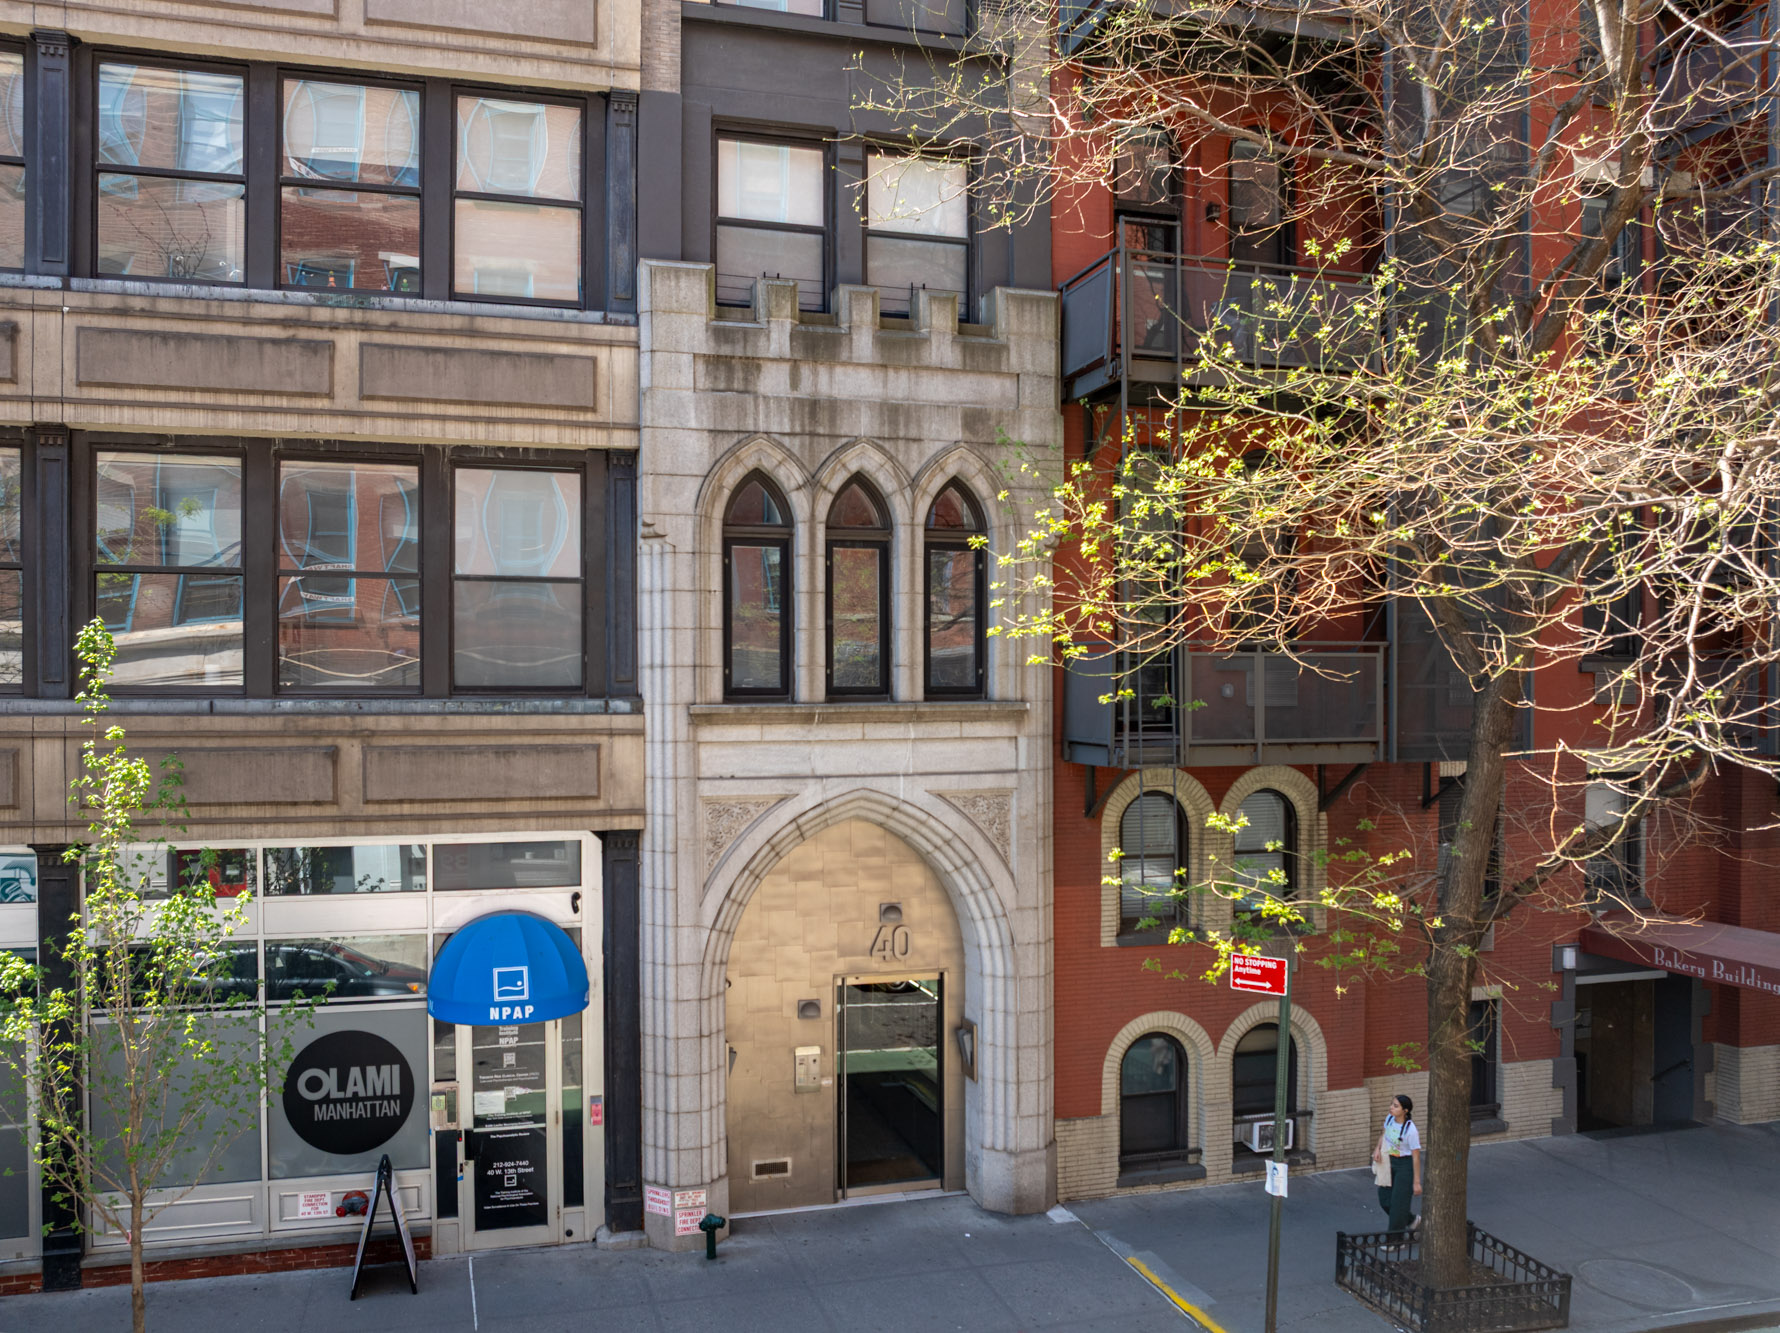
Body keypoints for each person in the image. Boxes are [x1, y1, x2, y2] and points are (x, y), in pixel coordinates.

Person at [1371, 1094, 1421, 1234]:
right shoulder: (1389, 1119)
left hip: (1404, 1166)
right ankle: (1411, 1220)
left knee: (1399, 1205)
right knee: (1385, 1199)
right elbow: (1384, 1134)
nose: (1391, 1108)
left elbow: (1416, 1157)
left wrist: (1416, 1182)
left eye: (1395, 1106)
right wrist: (1377, 1149)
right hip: (1388, 1163)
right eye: (1392, 1104)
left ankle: (1395, 1241)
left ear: (1405, 1111)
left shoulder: (1411, 1130)